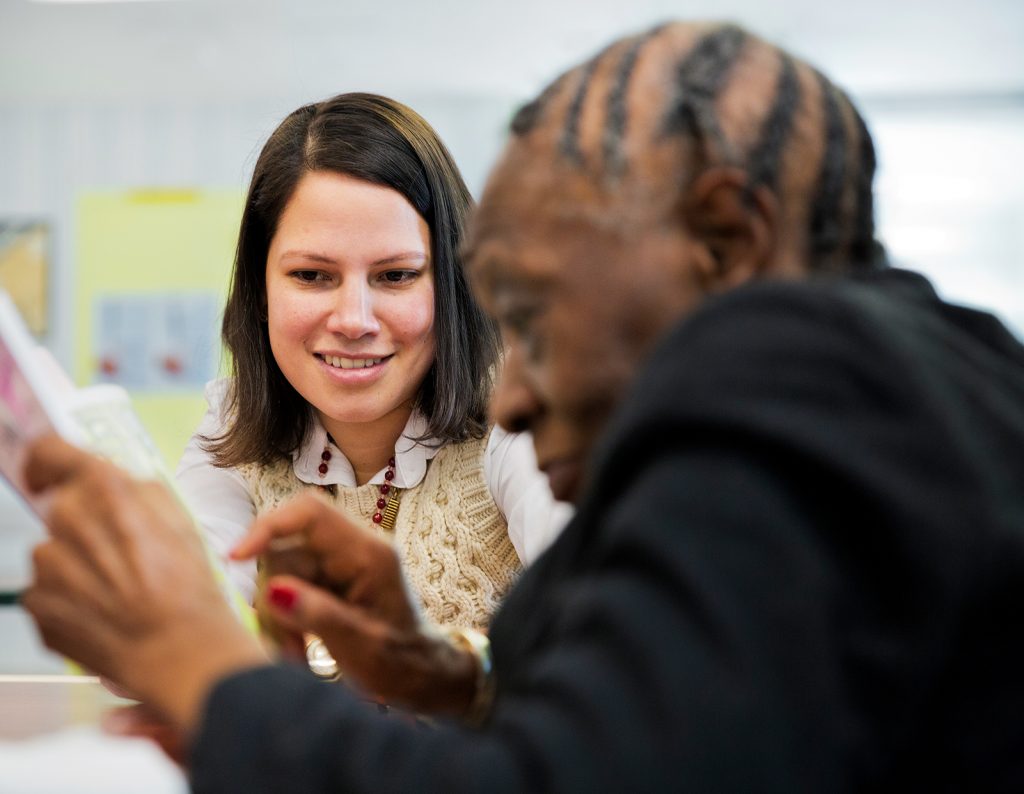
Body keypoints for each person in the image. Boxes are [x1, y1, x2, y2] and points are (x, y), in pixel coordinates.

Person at [22, 20, 1024, 791]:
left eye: (534, 316)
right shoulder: (926, 372)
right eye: (313, 274)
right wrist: (447, 677)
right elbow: (673, 734)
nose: (514, 393)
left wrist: (202, 671)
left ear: (724, 242)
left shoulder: (789, 406)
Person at [175, 92, 571, 631]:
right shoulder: (232, 420)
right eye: (312, 276)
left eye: (396, 276)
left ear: (454, 284)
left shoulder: (521, 409)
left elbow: (617, 634)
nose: (353, 320)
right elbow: (169, 627)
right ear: (260, 290)